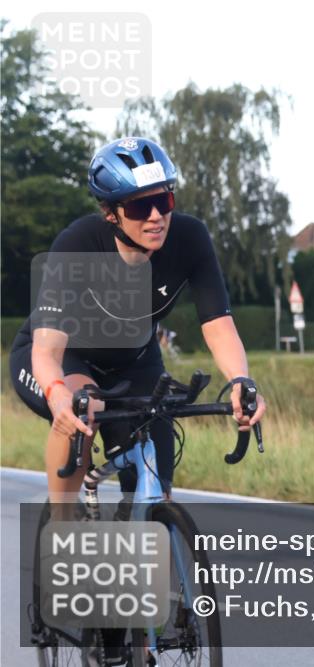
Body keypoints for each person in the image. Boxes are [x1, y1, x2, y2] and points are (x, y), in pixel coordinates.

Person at [9, 137, 267, 508]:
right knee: (86, 408)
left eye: (164, 202)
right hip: (65, 355)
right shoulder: (77, 244)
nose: (156, 216)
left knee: (157, 495)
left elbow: (218, 325)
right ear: (111, 212)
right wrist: (57, 392)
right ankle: (61, 528)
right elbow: (48, 350)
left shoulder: (191, 238)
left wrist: (240, 381)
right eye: (141, 206)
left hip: (136, 361)